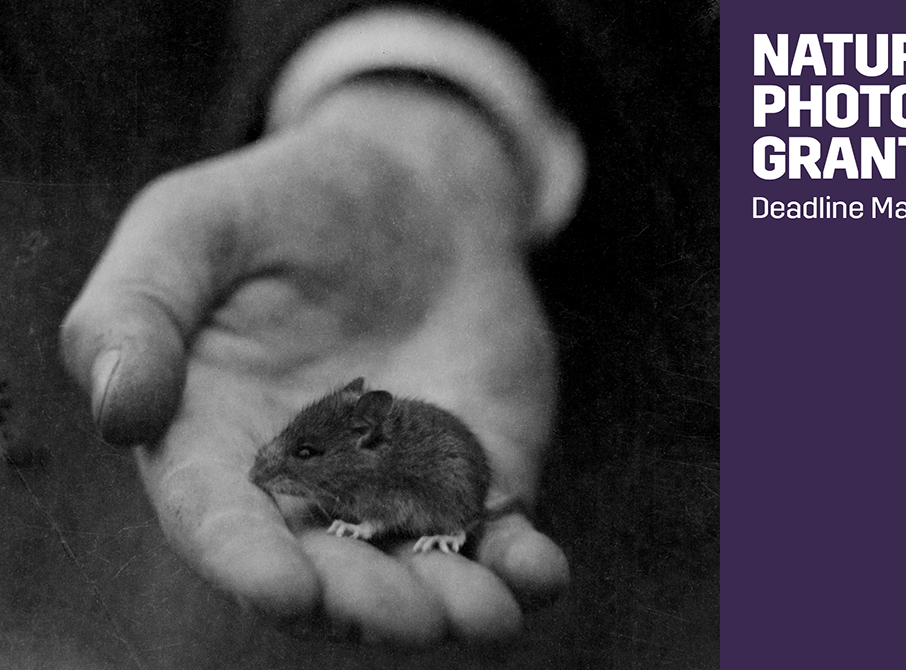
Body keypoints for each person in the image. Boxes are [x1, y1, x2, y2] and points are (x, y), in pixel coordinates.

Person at [52, 0, 718, 650]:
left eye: (305, 455)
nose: (278, 461)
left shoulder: (380, 479)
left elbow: (395, 506)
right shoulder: (361, 473)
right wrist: (405, 119)